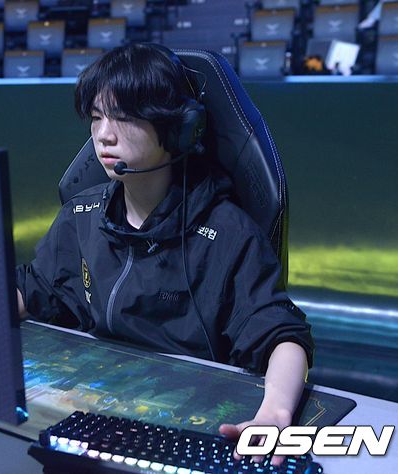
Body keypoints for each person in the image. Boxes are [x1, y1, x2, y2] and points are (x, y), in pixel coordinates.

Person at [16, 43, 315, 466]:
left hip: (186, 427)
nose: (103, 135)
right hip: (93, 419)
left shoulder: (227, 233)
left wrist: (276, 413)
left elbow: (281, 335)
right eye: (97, 117)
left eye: (123, 117)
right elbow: (36, 287)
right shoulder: (82, 216)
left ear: (179, 129)